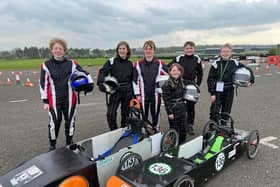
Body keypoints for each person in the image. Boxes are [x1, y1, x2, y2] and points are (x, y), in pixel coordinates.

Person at [40, 38, 92, 151]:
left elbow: (84, 73)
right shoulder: (45, 65)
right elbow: (43, 83)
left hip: (70, 98)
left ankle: (69, 142)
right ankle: (52, 145)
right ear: (52, 50)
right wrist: (45, 101)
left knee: (70, 120)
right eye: (56, 48)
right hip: (54, 99)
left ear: (64, 51)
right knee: (54, 122)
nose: (58, 51)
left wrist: (90, 83)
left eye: (60, 48)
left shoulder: (72, 63)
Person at [207, 43, 255, 122]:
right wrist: (212, 93)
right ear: (220, 52)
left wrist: (251, 81)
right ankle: (212, 127)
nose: (225, 53)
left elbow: (248, 70)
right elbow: (210, 79)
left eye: (227, 51)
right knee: (214, 110)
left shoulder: (235, 63)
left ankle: (223, 126)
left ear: (230, 53)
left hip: (229, 89)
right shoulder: (215, 64)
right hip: (217, 90)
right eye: (223, 51)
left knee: (226, 110)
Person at [97, 41, 134, 131]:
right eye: (120, 49)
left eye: (123, 48)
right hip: (115, 90)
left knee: (125, 113)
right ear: (117, 50)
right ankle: (114, 130)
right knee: (111, 113)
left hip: (127, 91)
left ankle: (124, 130)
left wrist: (134, 94)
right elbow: (102, 72)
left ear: (127, 50)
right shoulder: (111, 61)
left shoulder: (130, 64)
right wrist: (101, 82)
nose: (121, 50)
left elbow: (133, 79)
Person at [133, 40, 168, 132]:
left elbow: (169, 75)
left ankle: (156, 130)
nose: (148, 51)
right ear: (144, 50)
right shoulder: (137, 64)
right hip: (143, 95)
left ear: (154, 50)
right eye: (146, 49)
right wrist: (137, 94)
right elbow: (135, 80)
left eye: (150, 49)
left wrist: (163, 87)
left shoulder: (160, 63)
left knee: (155, 114)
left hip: (156, 95)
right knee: (143, 114)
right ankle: (144, 131)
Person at [169, 41, 203, 135]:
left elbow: (200, 73)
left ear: (194, 49)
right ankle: (178, 124)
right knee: (179, 105)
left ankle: (190, 125)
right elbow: (169, 67)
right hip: (180, 84)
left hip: (191, 86)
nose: (189, 50)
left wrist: (197, 85)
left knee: (191, 106)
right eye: (187, 48)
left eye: (191, 48)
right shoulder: (179, 58)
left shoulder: (197, 59)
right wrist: (173, 79)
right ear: (184, 49)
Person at [162, 63, 187, 144]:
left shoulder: (182, 82)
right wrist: (170, 112)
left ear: (180, 72)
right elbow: (166, 100)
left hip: (182, 107)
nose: (176, 72)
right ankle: (174, 144)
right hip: (173, 108)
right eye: (173, 70)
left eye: (177, 70)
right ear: (170, 72)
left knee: (183, 127)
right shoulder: (167, 84)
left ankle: (182, 143)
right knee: (175, 128)